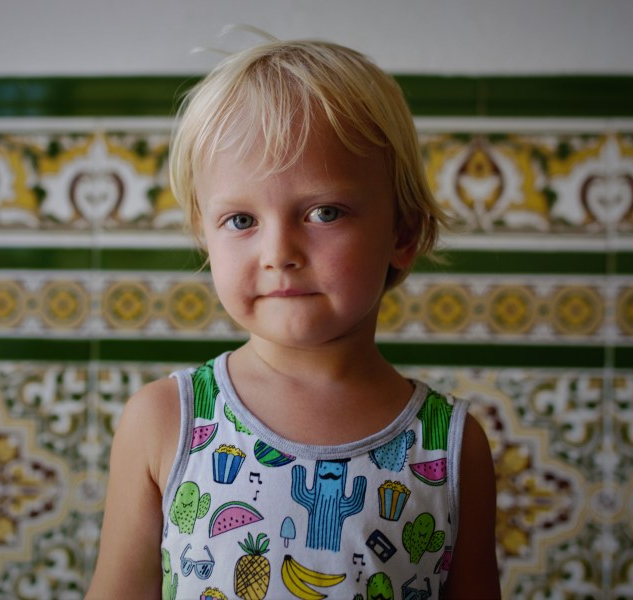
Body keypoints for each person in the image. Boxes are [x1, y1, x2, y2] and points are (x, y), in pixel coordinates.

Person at [87, 33, 500, 600]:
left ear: (403, 234)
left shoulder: (450, 447)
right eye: (241, 220)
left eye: (324, 213)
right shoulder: (165, 422)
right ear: (205, 236)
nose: (278, 252)